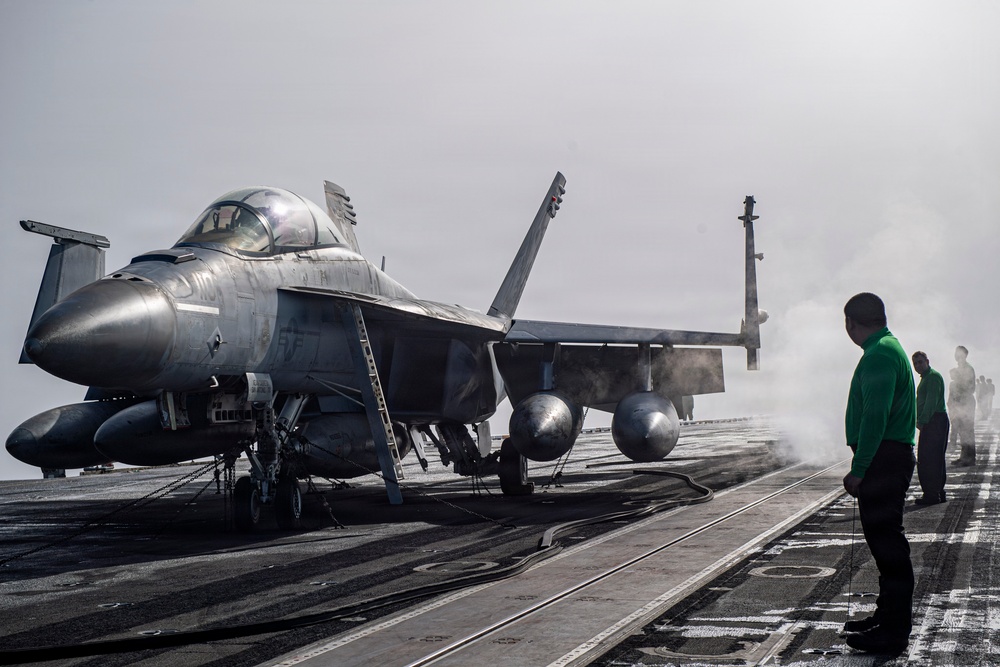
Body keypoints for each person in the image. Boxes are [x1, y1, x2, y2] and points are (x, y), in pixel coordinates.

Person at [840, 293, 916, 654]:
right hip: (889, 457)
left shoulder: (880, 355)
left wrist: (859, 469)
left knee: (889, 550)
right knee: (887, 548)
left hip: (884, 460)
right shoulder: (888, 347)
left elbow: (874, 417)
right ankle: (886, 617)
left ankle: (894, 633)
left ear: (851, 323)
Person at [911, 351, 950, 505]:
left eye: (920, 362)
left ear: (927, 361)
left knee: (929, 459)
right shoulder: (927, 378)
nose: (918, 366)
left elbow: (931, 402)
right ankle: (937, 492)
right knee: (935, 458)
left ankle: (932, 494)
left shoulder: (932, 377)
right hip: (934, 421)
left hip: (934, 421)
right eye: (915, 363)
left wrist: (922, 421)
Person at [948, 346, 976, 465]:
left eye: (959, 354)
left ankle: (969, 458)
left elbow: (971, 388)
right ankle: (964, 455)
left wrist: (959, 386)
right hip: (959, 403)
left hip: (966, 402)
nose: (957, 356)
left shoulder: (968, 369)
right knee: (961, 430)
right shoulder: (959, 369)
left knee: (967, 430)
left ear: (964, 355)